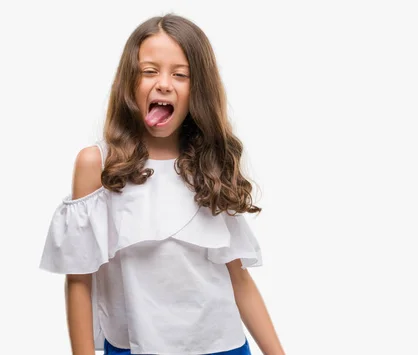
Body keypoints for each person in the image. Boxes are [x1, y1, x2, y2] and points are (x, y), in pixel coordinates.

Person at [39, 13, 284, 355]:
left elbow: (238, 278)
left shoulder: (208, 164)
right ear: (129, 82)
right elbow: (80, 280)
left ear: (197, 89)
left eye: (180, 75)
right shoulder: (98, 165)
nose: (164, 84)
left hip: (224, 346)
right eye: (149, 71)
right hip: (133, 347)